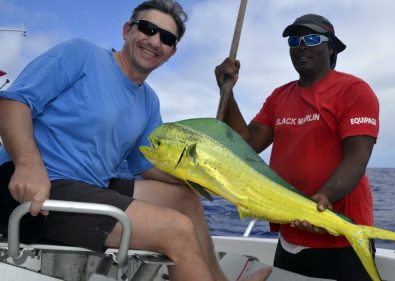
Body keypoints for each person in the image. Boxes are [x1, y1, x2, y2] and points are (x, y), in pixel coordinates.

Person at [0, 1, 271, 280]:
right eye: (148, 29)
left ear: (171, 52)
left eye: (166, 38)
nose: (155, 41)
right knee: (176, 229)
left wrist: (201, 179)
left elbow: (146, 165)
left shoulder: (149, 100)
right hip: (40, 189)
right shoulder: (81, 53)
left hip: (92, 186)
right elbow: (14, 102)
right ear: (127, 30)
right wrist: (27, 165)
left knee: (186, 199)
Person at [215, 13, 380, 281]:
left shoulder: (354, 90)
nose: (301, 46)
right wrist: (228, 92)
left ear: (331, 47)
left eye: (312, 38)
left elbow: (357, 159)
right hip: (290, 237)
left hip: (342, 238)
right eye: (294, 40)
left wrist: (323, 199)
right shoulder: (279, 96)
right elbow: (247, 144)